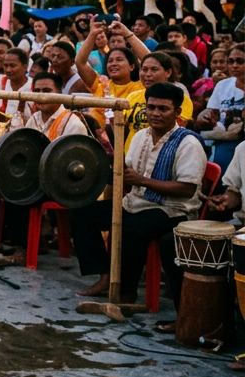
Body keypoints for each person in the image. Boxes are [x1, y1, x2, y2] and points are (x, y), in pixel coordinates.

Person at [72, 85, 206, 319]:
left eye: (163, 109)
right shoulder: (141, 136)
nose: (155, 113)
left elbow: (187, 189)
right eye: (151, 107)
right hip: (136, 202)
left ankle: (127, 294)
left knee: (132, 229)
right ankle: (105, 276)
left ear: (177, 113)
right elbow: (129, 172)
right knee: (83, 212)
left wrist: (143, 180)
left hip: (173, 212)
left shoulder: (189, 143)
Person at [23, 73, 88, 138]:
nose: (41, 96)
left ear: (59, 93)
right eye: (37, 91)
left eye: (46, 91)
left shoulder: (73, 125)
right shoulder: (34, 119)